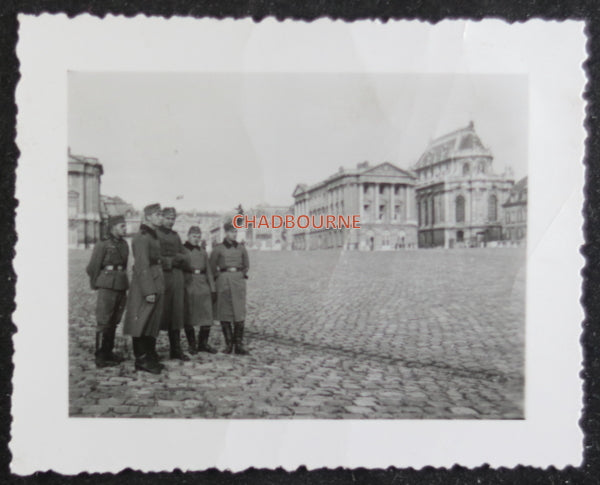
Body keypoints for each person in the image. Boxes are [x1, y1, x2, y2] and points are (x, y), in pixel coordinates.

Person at [123, 203, 165, 374]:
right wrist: (148, 290)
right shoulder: (142, 237)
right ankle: (141, 359)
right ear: (148, 217)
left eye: (161, 214)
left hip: (155, 278)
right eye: (158, 214)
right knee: (141, 319)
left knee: (152, 320)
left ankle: (149, 354)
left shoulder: (153, 236)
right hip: (145, 283)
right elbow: (142, 265)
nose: (161, 218)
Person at [85, 215, 129, 368]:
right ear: (113, 227)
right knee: (104, 320)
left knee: (115, 320)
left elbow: (124, 265)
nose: (125, 229)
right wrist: (96, 284)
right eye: (122, 226)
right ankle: (100, 356)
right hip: (107, 285)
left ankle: (108, 351)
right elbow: (92, 267)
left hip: (121, 285)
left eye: (125, 226)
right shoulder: (103, 244)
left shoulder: (124, 244)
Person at [209, 222, 250, 355]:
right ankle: (229, 344)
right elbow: (211, 266)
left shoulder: (241, 248)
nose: (234, 234)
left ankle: (238, 344)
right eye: (232, 232)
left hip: (238, 281)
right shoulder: (218, 249)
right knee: (225, 311)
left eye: (236, 232)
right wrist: (219, 278)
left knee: (239, 311)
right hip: (224, 280)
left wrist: (241, 275)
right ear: (226, 233)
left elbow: (246, 264)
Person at [157, 207, 190, 361]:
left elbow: (185, 255)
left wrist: (178, 258)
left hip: (176, 277)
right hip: (162, 276)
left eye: (173, 219)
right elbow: (154, 257)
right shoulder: (155, 234)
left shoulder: (176, 236)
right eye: (168, 218)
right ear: (162, 217)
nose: (171, 222)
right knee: (158, 312)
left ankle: (176, 349)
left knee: (176, 313)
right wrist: (171, 260)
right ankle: (151, 351)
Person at [182, 226, 218, 354]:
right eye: (193, 236)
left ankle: (203, 343)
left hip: (203, 285)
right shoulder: (182, 250)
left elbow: (208, 270)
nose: (196, 239)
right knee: (188, 315)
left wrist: (213, 289)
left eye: (198, 237)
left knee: (207, 314)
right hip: (189, 284)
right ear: (188, 236)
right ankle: (192, 345)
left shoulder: (203, 251)